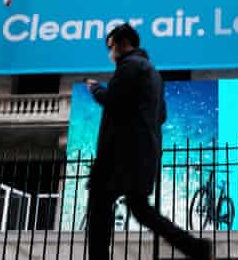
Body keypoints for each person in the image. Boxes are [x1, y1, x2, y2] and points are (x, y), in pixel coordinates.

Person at [85, 24, 213, 260]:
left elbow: (114, 101)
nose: (110, 53)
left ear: (123, 44)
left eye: (110, 47)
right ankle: (196, 248)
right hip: (143, 155)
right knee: (140, 210)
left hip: (120, 154)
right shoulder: (153, 72)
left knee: (99, 207)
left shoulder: (129, 66)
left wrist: (95, 89)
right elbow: (161, 115)